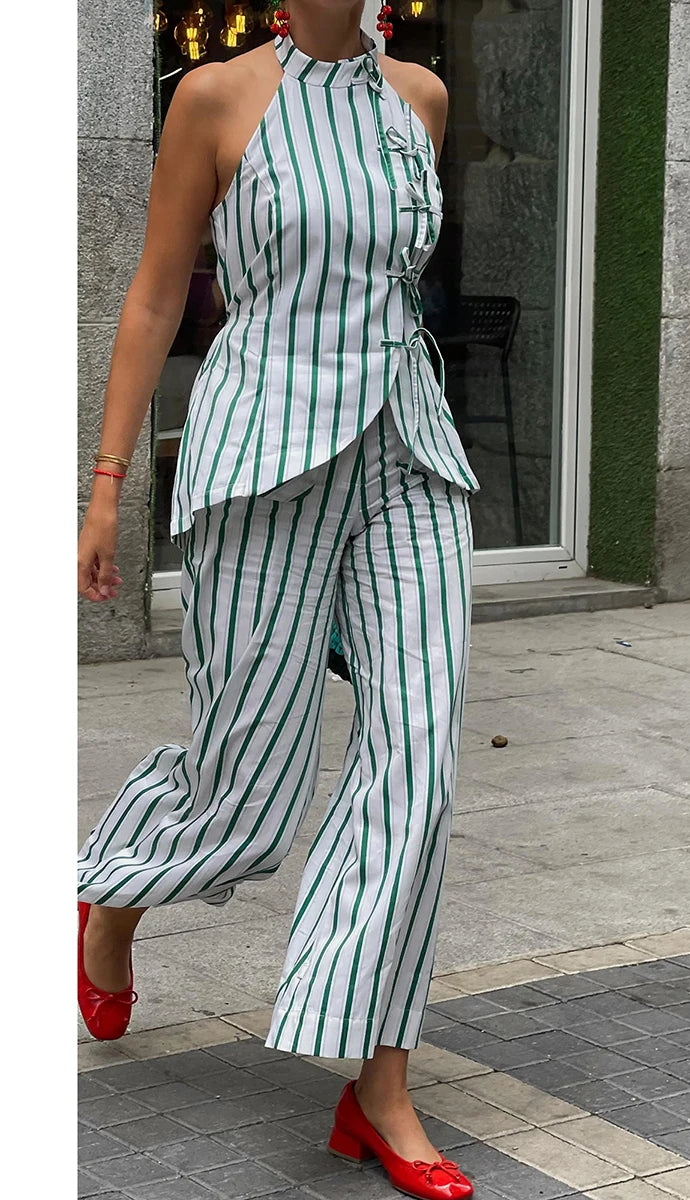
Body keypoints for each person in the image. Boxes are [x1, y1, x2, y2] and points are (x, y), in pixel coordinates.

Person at [76, 5, 480, 1198]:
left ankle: (379, 1082)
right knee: (248, 796)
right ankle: (116, 886)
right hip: (263, 459)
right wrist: (108, 486)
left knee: (419, 758)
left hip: (407, 455)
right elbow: (157, 297)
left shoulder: (419, 100)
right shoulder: (215, 98)